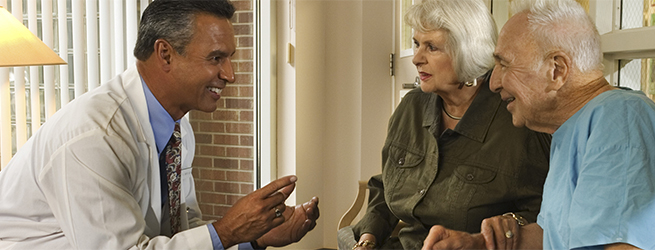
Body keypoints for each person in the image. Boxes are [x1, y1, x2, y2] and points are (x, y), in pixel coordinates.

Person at [0, 0, 319, 249]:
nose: (230, 74)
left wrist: (254, 238)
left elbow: (177, 234)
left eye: (230, 58)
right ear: (165, 54)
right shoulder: (93, 137)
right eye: (216, 58)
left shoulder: (175, 127)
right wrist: (228, 230)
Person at [422, 0, 655, 249]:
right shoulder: (570, 129)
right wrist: (478, 244)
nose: (493, 83)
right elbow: (554, 236)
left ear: (557, 70)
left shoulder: (622, 120)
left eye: (504, 65)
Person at [337, 0, 551, 249]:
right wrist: (368, 238)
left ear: (468, 52)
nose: (417, 58)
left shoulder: (516, 120)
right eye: (416, 44)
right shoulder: (411, 107)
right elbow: (387, 184)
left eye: (432, 47)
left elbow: (544, 216)